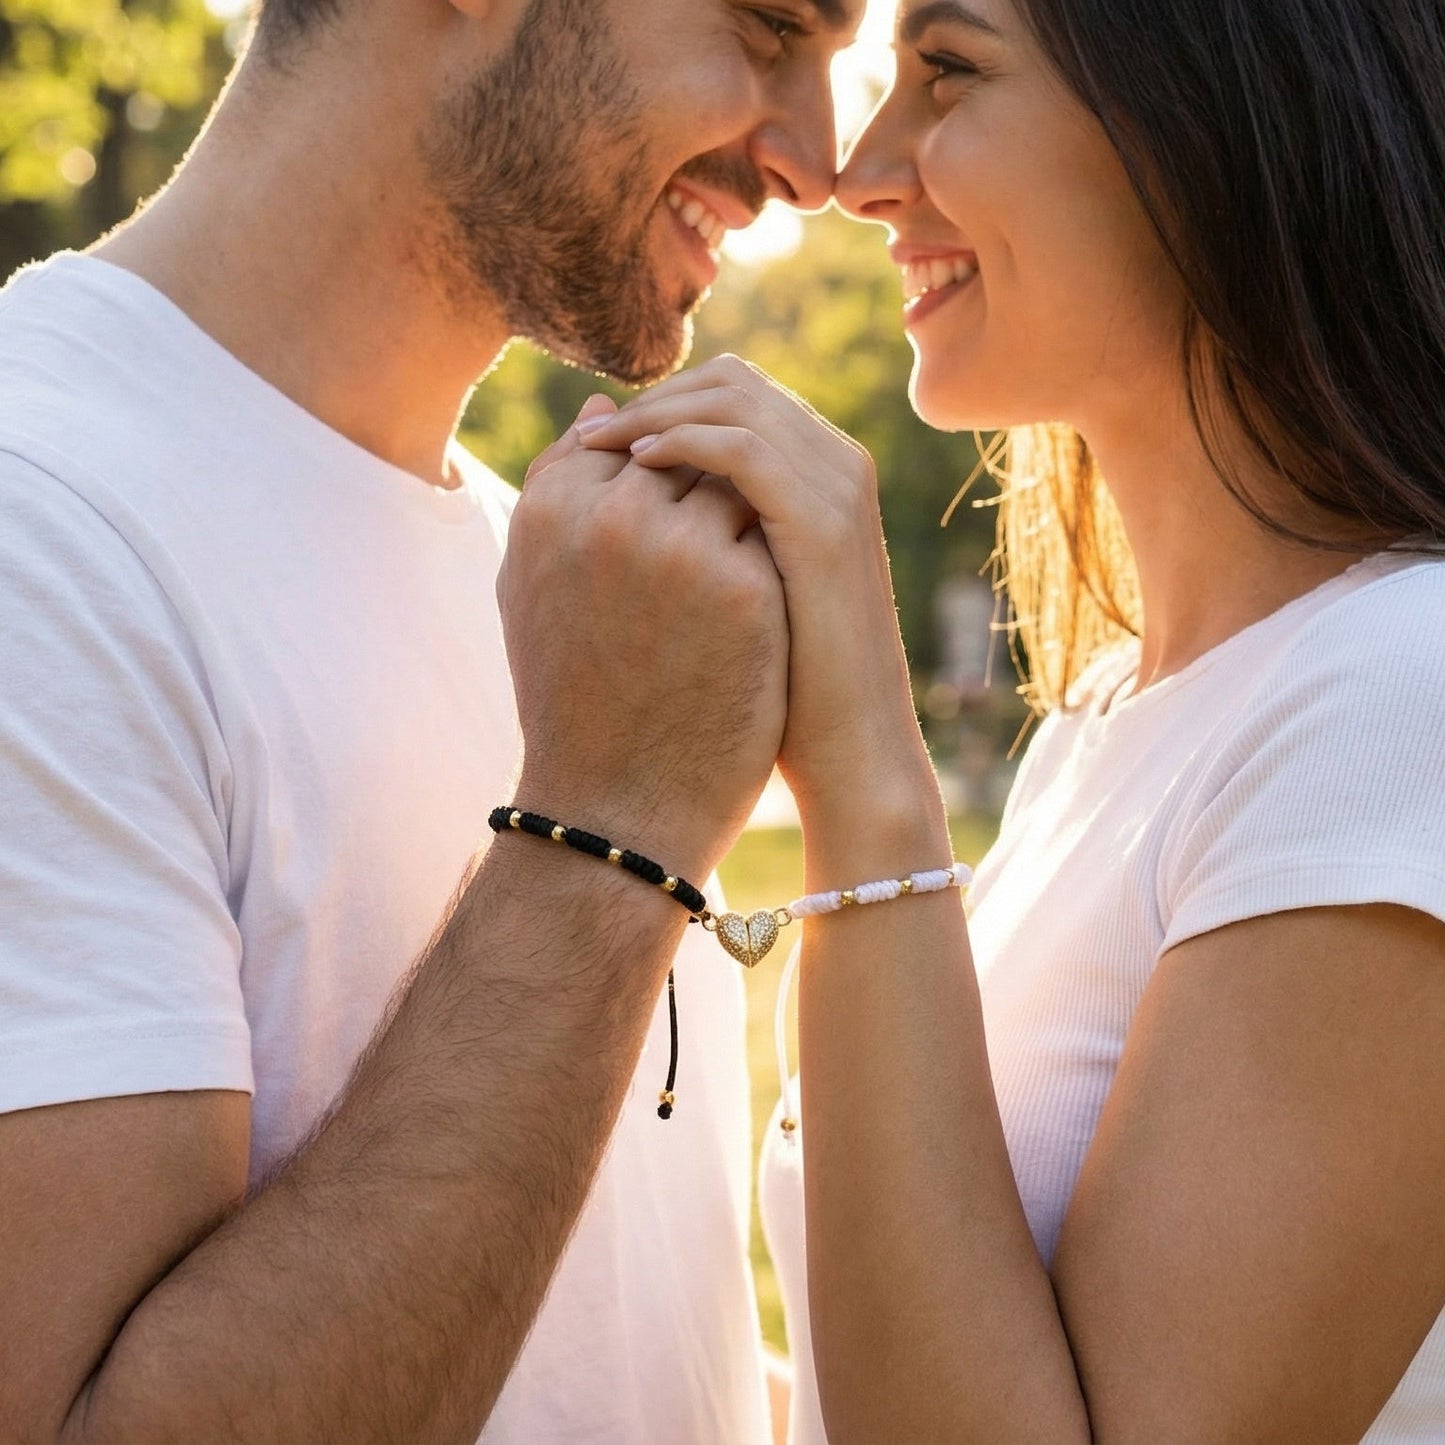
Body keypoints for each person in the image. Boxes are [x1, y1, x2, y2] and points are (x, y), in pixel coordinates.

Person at [562, 0, 1445, 1436]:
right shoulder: (1105, 721)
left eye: (949, 73)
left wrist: (858, 762)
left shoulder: (1407, 693)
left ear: (1216, 117)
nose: (857, 172)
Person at [0, 0, 864, 1439]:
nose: (820, 161)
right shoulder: (41, 535)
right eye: (771, 25)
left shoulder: (554, 577)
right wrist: (611, 826)